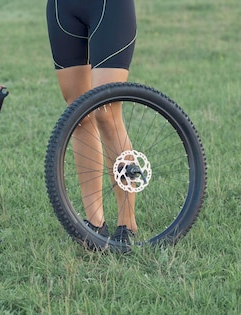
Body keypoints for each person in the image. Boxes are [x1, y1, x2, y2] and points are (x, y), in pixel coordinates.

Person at [46, 0, 137, 244]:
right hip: (63, 8)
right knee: (78, 113)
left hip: (109, 7)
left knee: (106, 111)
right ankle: (95, 224)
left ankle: (127, 224)